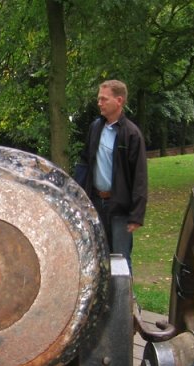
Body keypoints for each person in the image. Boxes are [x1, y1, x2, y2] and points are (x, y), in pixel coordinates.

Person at [74, 79, 148, 273]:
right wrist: (77, 195)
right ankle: (103, 302)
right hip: (96, 204)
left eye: (104, 99)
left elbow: (139, 177)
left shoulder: (131, 134)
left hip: (120, 208)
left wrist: (136, 216)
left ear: (119, 101)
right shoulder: (95, 128)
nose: (99, 103)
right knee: (98, 256)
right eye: (99, 99)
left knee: (121, 261)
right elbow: (85, 162)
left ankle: (124, 302)